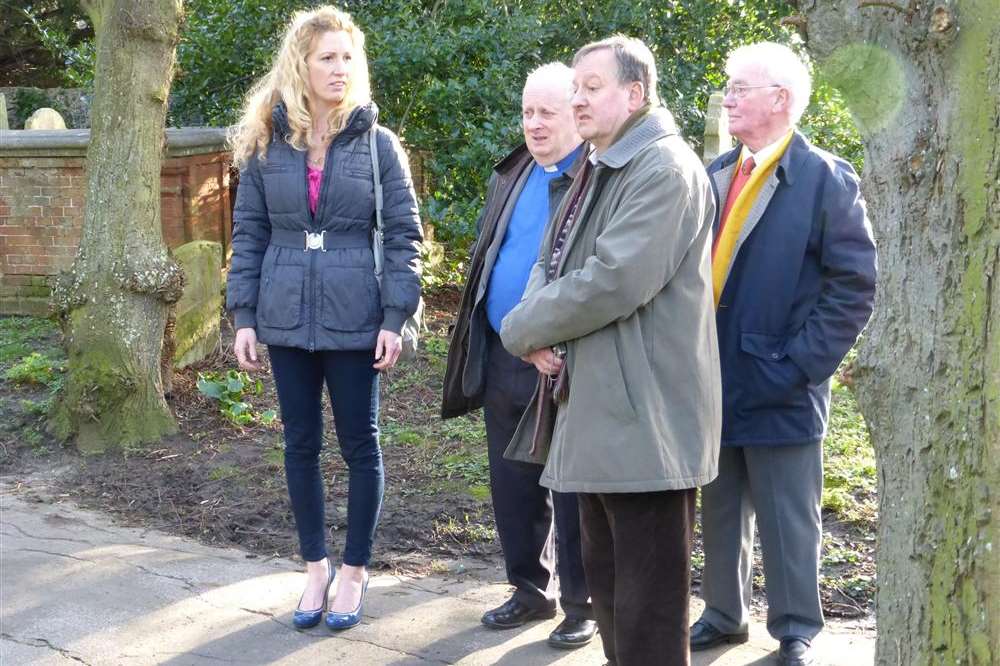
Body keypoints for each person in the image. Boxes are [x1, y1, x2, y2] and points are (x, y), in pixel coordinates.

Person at [500, 36, 721, 665]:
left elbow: (612, 280)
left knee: (648, 616)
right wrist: (537, 323)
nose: (577, 99)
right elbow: (553, 258)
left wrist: (521, 330)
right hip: (601, 416)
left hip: (647, 426)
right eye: (576, 87)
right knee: (613, 602)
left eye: (591, 87)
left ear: (635, 93)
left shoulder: (664, 169)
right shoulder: (602, 163)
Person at [225, 5, 422, 632]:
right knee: (299, 445)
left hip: (355, 316)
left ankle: (355, 572)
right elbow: (249, 233)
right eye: (327, 58)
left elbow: (403, 238)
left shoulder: (377, 144)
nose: (340, 69)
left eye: (347, 58)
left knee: (361, 445)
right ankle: (315, 567)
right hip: (283, 317)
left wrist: (396, 314)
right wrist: (245, 313)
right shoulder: (266, 145)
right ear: (300, 67)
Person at [689, 42, 877, 666]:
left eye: (741, 86)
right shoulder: (716, 172)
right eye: (729, 86)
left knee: (788, 517)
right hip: (713, 376)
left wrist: (800, 366)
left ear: (782, 100)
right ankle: (723, 614)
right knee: (719, 509)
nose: (729, 96)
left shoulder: (825, 176)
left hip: (782, 381)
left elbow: (855, 283)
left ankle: (796, 629)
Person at [441, 62, 597, 649]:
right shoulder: (515, 170)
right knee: (513, 482)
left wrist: (544, 339)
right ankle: (530, 589)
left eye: (546, 113)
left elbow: (589, 277)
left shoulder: (594, 177)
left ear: (577, 116)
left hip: (564, 360)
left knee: (575, 486)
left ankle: (582, 604)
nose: (533, 124)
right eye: (527, 112)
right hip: (507, 355)